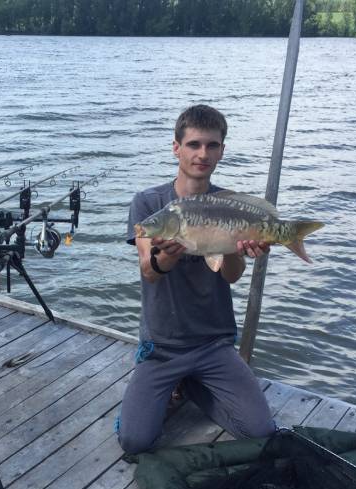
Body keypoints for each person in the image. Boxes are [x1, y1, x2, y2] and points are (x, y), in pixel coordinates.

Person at [117, 104, 276, 455]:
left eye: (212, 146)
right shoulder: (149, 205)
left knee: (261, 431)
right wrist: (167, 255)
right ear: (176, 147)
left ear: (221, 150)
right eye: (193, 144)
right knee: (135, 441)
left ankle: (191, 387)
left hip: (213, 343)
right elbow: (148, 271)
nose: (202, 154)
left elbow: (231, 276)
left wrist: (237, 250)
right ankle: (176, 382)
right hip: (162, 346)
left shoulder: (229, 204)